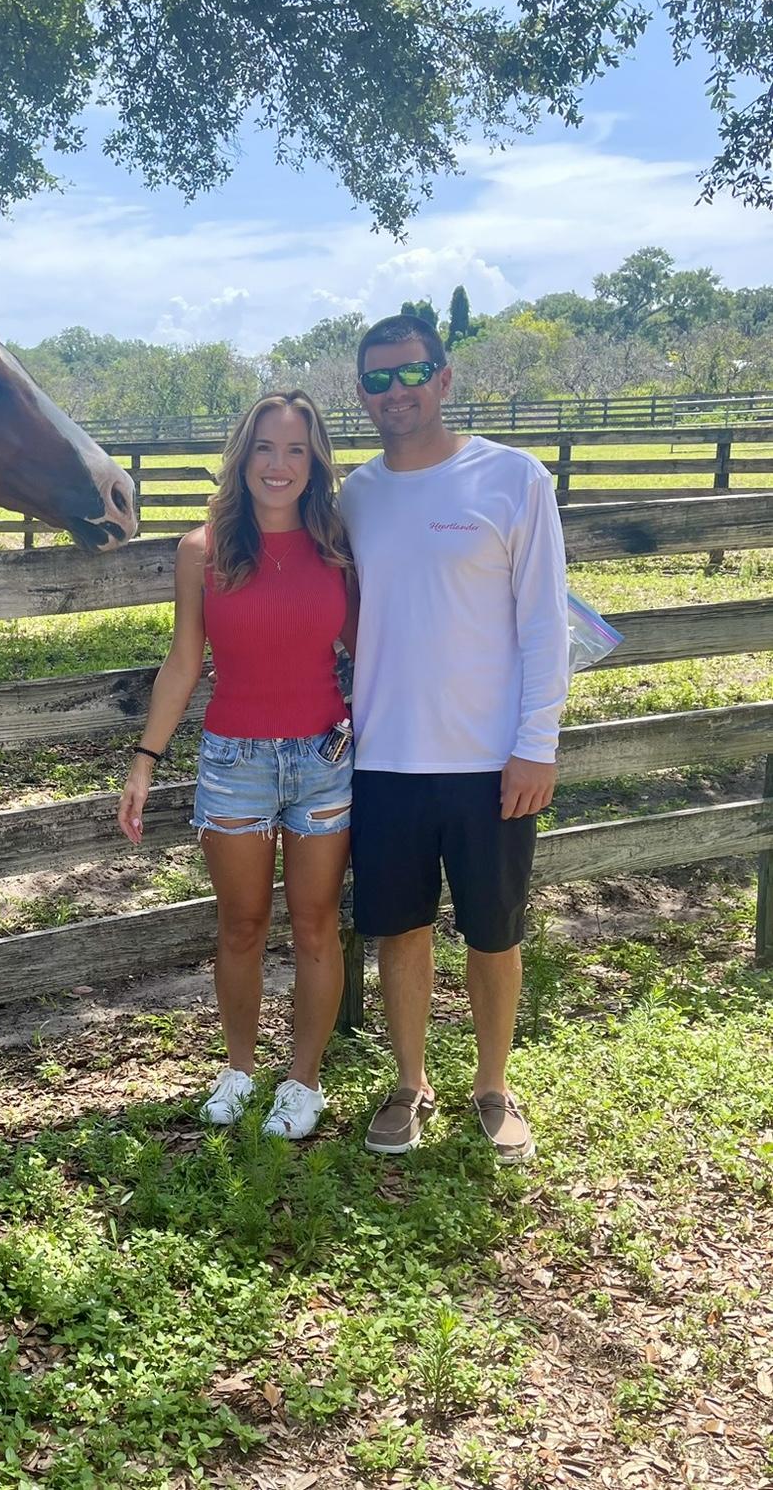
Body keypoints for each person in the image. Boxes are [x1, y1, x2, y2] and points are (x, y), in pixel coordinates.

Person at [341, 315, 569, 1165]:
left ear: (443, 377)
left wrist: (536, 743)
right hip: (385, 757)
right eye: (377, 379)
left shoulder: (512, 478)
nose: (395, 392)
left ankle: (492, 1086)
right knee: (399, 931)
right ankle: (410, 1083)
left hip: (490, 760)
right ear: (361, 393)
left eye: (412, 373)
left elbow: (545, 622)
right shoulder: (356, 495)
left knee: (493, 933)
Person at [118, 390, 357, 1139]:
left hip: (325, 758)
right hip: (234, 761)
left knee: (316, 925)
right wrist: (145, 759)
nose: (278, 465)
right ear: (243, 456)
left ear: (314, 462)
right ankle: (240, 1069)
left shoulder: (339, 545)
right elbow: (184, 661)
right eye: (265, 448)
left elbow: (372, 649)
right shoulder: (203, 551)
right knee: (241, 926)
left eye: (295, 450)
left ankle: (304, 1080)